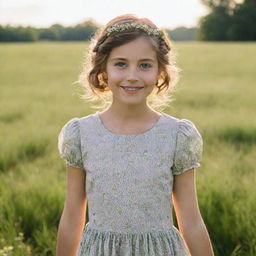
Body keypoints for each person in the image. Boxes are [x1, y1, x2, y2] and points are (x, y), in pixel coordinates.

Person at [56, 13, 215, 256]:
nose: (132, 75)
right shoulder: (81, 134)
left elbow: (191, 221)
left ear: (160, 72)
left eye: (144, 65)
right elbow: (71, 217)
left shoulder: (177, 135)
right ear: (103, 70)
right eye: (120, 63)